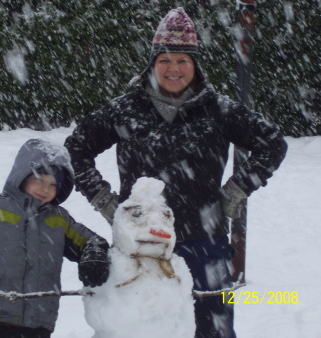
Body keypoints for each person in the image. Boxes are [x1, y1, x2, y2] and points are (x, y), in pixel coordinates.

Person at [65, 7, 287, 338]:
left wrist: (236, 191)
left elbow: (273, 143)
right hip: (140, 247)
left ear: (195, 65)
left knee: (213, 329)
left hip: (205, 242)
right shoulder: (126, 108)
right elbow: (75, 150)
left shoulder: (218, 110)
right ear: (152, 64)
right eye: (164, 60)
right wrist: (104, 200)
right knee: (143, 330)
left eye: (183, 60)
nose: (173, 69)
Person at [0, 138, 110, 338]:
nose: (45, 189)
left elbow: (92, 241)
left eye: (53, 184)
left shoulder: (58, 220)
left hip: (38, 325)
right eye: (39, 179)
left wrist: (94, 254)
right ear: (22, 174)